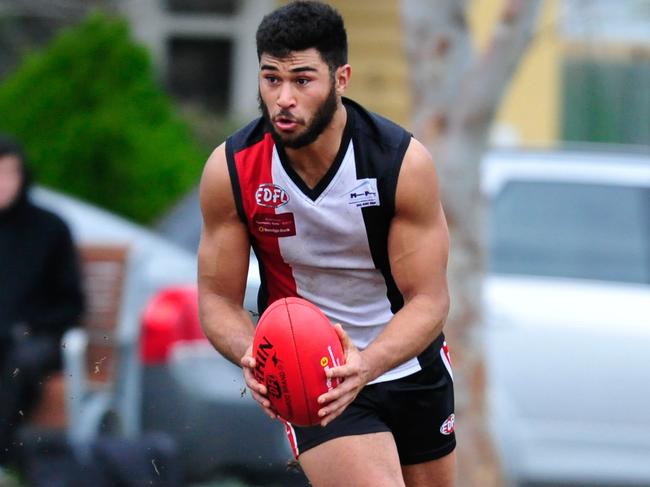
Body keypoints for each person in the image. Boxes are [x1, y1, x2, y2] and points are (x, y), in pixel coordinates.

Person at [197, 2, 455, 486]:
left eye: (302, 79)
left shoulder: (399, 163)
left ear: (341, 79)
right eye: (271, 78)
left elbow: (430, 300)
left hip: (406, 361)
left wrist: (368, 363)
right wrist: (253, 353)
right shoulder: (232, 169)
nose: (284, 98)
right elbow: (215, 299)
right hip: (313, 376)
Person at [0, 135, 84, 466]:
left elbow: (71, 303)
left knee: (22, 359)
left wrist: (28, 325)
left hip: (35, 336)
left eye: (8, 173)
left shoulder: (49, 229)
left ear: (23, 177)